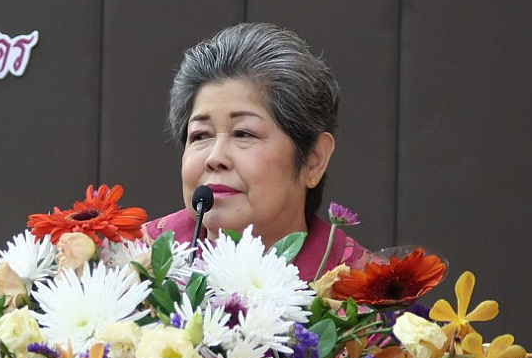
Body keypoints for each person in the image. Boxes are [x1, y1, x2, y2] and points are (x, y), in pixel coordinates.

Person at [146, 22, 370, 277]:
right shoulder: (133, 266)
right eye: (200, 135)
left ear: (313, 159)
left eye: (243, 133)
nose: (215, 158)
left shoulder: (367, 290)